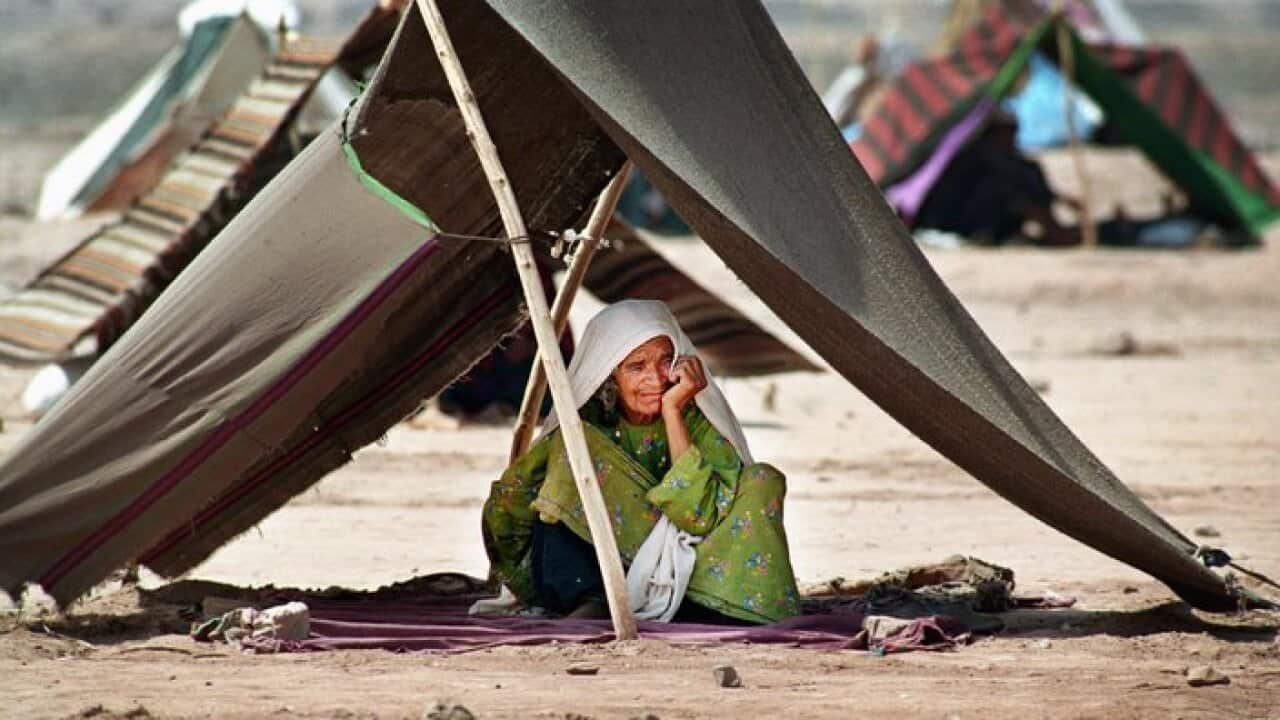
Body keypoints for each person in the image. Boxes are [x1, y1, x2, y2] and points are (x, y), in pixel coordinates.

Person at [481, 300, 801, 625]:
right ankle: (593, 601)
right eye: (637, 367)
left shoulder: (696, 417)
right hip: (611, 573)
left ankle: (717, 605)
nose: (656, 379)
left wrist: (673, 412)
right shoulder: (585, 424)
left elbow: (699, 517)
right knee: (575, 449)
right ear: (610, 375)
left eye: (666, 361)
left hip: (695, 570)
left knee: (763, 479)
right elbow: (513, 503)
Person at [914, 110, 1082, 246]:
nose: (1012, 138)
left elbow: (1024, 171)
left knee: (1028, 174)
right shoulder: (980, 156)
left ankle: (1053, 230)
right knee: (1010, 190)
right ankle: (1055, 233)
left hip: (992, 215)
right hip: (961, 218)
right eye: (1008, 132)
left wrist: (1059, 197)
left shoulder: (1008, 156)